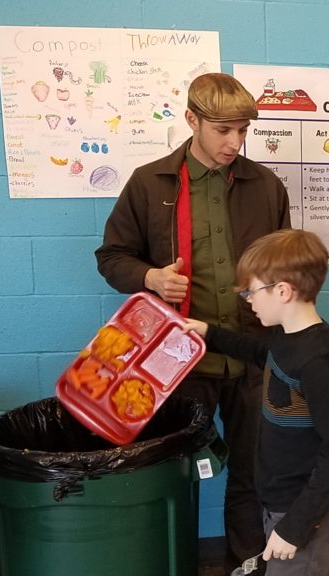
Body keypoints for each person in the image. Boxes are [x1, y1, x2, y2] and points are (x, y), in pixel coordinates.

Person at [95, 72, 291, 573]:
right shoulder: (149, 182)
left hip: (251, 356)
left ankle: (246, 565)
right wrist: (151, 278)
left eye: (243, 130)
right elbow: (112, 256)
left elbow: (283, 264)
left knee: (251, 472)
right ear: (191, 120)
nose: (235, 142)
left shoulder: (266, 185)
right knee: (175, 472)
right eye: (224, 130)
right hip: (177, 359)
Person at [184, 229, 329, 576]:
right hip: (281, 500)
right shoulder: (287, 337)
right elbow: (263, 354)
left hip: (303, 509)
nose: (248, 299)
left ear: (282, 291)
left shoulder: (317, 361)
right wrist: (208, 333)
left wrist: (296, 525)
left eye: (251, 290)